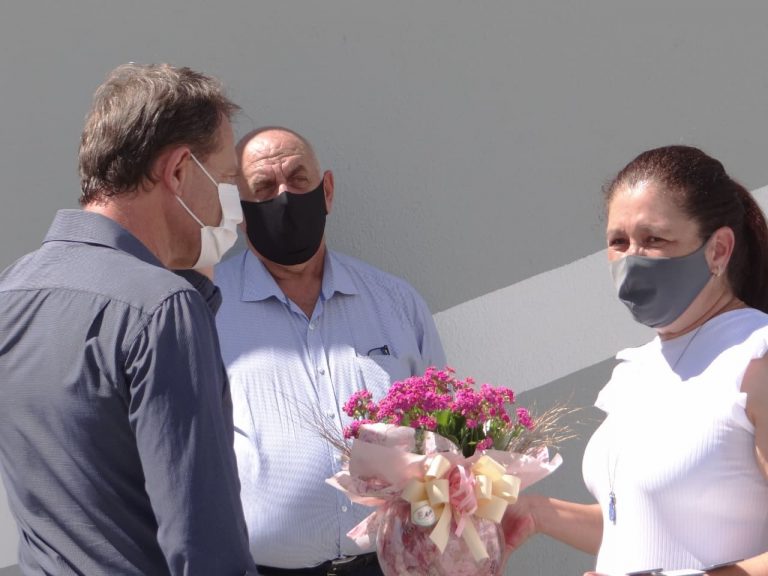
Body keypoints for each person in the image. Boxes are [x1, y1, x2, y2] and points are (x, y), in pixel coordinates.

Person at [0, 63, 257, 575]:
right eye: (226, 179)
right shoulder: (163, 307)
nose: (233, 209)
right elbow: (205, 544)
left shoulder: (12, 291)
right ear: (180, 170)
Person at [503, 145, 768, 576]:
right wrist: (536, 513)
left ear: (719, 250)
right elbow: (639, 523)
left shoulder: (756, 357)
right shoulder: (637, 369)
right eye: (618, 242)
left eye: (654, 240)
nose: (631, 259)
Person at [214, 126, 447, 575]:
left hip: (395, 564)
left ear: (328, 191)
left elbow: (444, 439)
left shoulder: (395, 303)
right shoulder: (205, 311)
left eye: (298, 179)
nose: (284, 196)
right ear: (238, 212)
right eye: (263, 187)